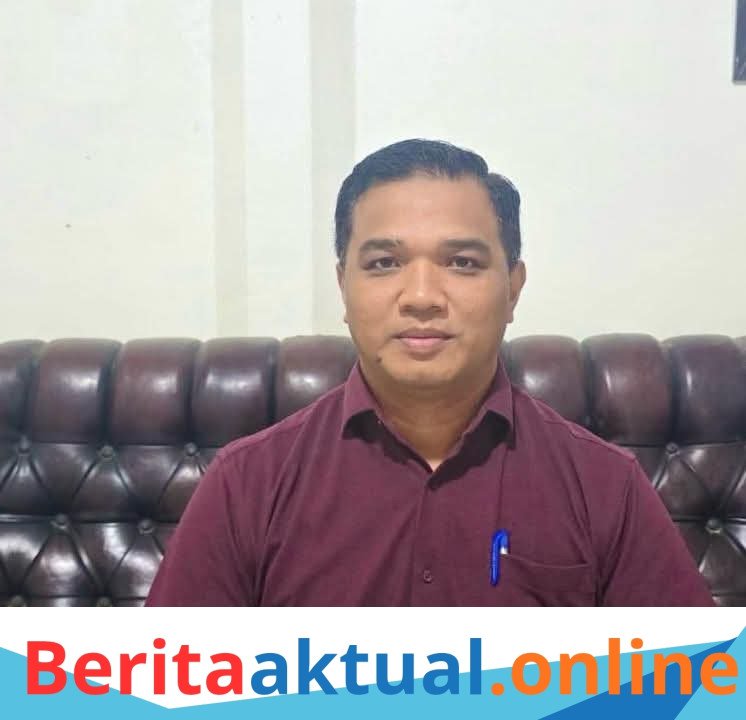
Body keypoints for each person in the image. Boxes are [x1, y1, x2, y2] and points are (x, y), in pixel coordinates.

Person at [146, 139, 714, 606]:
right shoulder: (247, 485)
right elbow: (160, 687)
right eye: (384, 263)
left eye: (462, 263)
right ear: (344, 287)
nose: (421, 296)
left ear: (513, 289)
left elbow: (694, 687)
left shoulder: (605, 485)